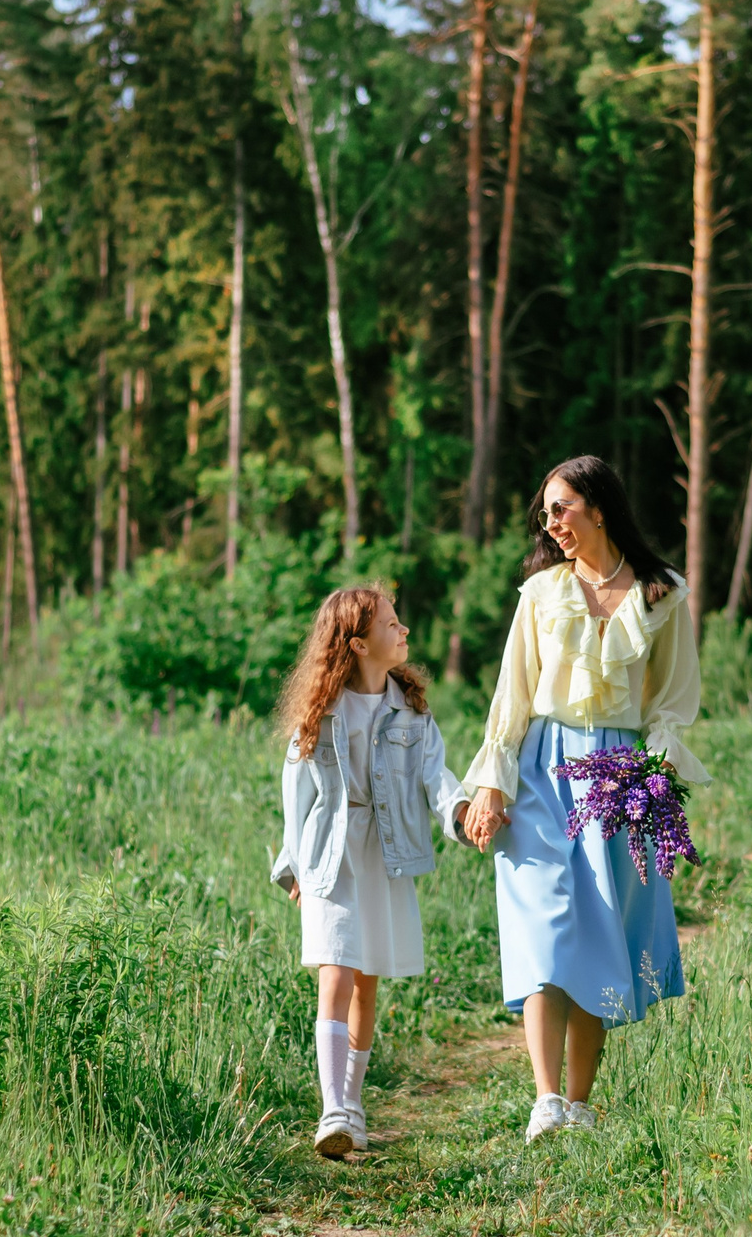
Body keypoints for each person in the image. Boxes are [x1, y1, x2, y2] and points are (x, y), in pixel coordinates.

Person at [459, 456, 707, 1143]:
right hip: (542, 767)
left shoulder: (662, 595)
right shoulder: (540, 595)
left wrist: (651, 776)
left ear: (598, 507)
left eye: (561, 507)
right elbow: (510, 699)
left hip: (618, 775)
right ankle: (544, 1099)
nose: (551, 523)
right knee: (542, 924)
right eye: (546, 512)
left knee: (600, 926)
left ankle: (580, 1102)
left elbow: (673, 702)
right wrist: (491, 784)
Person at [271, 586, 470, 1158]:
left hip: (385, 854)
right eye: (391, 624)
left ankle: (353, 1105)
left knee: (365, 981)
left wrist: (460, 816)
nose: (404, 631)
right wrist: (294, 869)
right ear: (357, 644)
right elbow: (296, 795)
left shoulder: (410, 710)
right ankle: (332, 1108)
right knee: (334, 974)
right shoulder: (320, 714)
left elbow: (437, 776)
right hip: (331, 855)